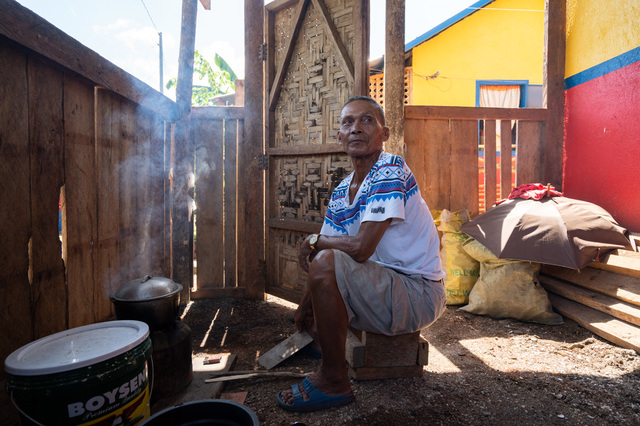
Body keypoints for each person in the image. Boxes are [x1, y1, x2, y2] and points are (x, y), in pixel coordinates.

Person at [276, 96, 446, 412]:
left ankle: (333, 381)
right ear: (340, 137)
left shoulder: (389, 168)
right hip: (384, 288)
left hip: (418, 293)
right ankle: (324, 344)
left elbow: (360, 247)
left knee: (326, 257)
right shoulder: (342, 191)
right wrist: (305, 308)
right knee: (324, 257)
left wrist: (315, 241)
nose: (356, 129)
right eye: (347, 123)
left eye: (367, 120)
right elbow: (327, 248)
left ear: (385, 133)